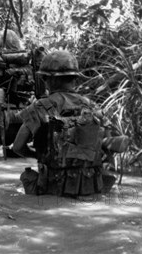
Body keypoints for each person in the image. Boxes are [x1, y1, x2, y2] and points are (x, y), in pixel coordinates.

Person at [12, 50, 118, 197]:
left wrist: (41, 156)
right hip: (89, 187)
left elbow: (18, 147)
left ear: (48, 79)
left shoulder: (40, 107)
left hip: (51, 187)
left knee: (26, 177)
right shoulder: (93, 107)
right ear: (74, 78)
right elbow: (108, 145)